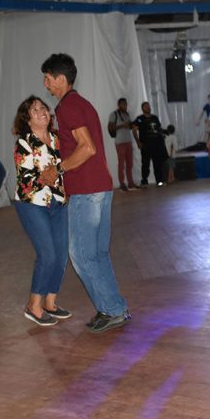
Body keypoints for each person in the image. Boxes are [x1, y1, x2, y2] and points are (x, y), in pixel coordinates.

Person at [40, 53, 130, 333]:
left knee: (81, 254)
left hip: (87, 190)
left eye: (48, 79)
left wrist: (58, 170)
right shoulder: (82, 104)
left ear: (61, 79)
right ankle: (115, 307)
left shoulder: (67, 107)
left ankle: (111, 309)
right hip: (100, 187)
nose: (45, 84)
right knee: (98, 253)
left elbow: (87, 147)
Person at [12, 96, 70, 327]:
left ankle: (50, 302)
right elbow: (26, 180)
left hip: (58, 203)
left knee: (61, 254)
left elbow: (65, 169)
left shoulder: (57, 139)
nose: (41, 111)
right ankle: (33, 305)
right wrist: (54, 173)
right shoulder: (24, 143)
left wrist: (57, 177)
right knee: (48, 255)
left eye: (43, 107)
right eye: (34, 110)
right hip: (32, 203)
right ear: (27, 120)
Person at [133, 101, 168, 187]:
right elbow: (134, 130)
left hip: (157, 144)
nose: (148, 108)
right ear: (142, 108)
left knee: (157, 163)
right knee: (145, 163)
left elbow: (159, 129)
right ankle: (144, 181)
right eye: (146, 106)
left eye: (148, 106)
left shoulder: (155, 118)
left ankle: (159, 181)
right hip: (145, 145)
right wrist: (138, 142)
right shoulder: (140, 119)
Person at [108, 98, 138, 191]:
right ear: (119, 105)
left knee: (130, 163)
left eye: (126, 104)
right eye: (123, 104)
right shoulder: (114, 114)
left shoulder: (127, 114)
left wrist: (132, 125)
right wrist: (122, 125)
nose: (125, 106)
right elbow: (110, 128)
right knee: (121, 164)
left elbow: (129, 126)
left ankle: (130, 183)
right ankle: (122, 183)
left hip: (128, 141)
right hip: (120, 142)